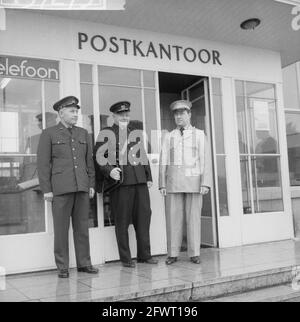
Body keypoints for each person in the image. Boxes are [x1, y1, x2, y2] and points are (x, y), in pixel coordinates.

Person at [37, 95, 99, 278]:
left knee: (82, 228)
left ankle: (84, 263)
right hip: (60, 189)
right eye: (72, 111)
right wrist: (46, 189)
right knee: (61, 230)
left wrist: (91, 184)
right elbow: (43, 164)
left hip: (81, 187)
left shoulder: (83, 133)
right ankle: (62, 266)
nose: (76, 115)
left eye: (77, 111)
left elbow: (89, 161)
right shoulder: (48, 133)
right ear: (61, 113)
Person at [94, 101, 158, 268]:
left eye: (127, 114)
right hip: (121, 184)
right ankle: (126, 258)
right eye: (121, 114)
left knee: (143, 219)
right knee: (122, 222)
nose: (124, 117)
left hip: (140, 183)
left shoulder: (134, 133)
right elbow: (99, 157)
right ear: (113, 116)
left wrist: (148, 176)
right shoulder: (106, 133)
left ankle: (144, 255)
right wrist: (109, 171)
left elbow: (142, 156)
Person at [159, 99, 211, 265]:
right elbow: (163, 160)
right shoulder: (169, 136)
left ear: (189, 114)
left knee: (193, 218)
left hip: (194, 183)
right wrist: (162, 183)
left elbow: (205, 160)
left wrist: (205, 183)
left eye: (182, 113)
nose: (179, 116)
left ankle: (194, 253)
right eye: (176, 113)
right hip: (173, 182)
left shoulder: (199, 134)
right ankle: (173, 253)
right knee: (173, 219)